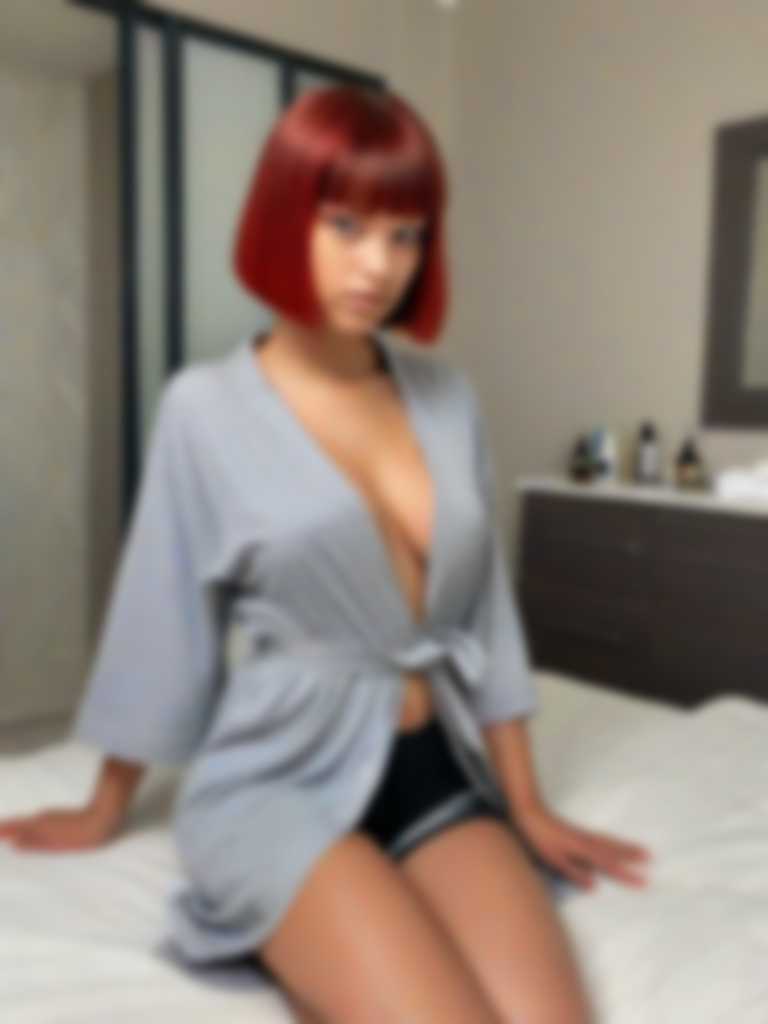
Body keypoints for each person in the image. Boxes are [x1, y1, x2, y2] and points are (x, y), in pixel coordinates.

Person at [0, 84, 651, 1023]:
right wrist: (105, 807)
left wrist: (528, 803)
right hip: (278, 782)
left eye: (405, 235)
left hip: (429, 770)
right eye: (344, 224)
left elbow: (487, 617)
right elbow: (162, 625)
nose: (377, 264)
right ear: (284, 216)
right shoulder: (205, 410)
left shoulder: (448, 399)